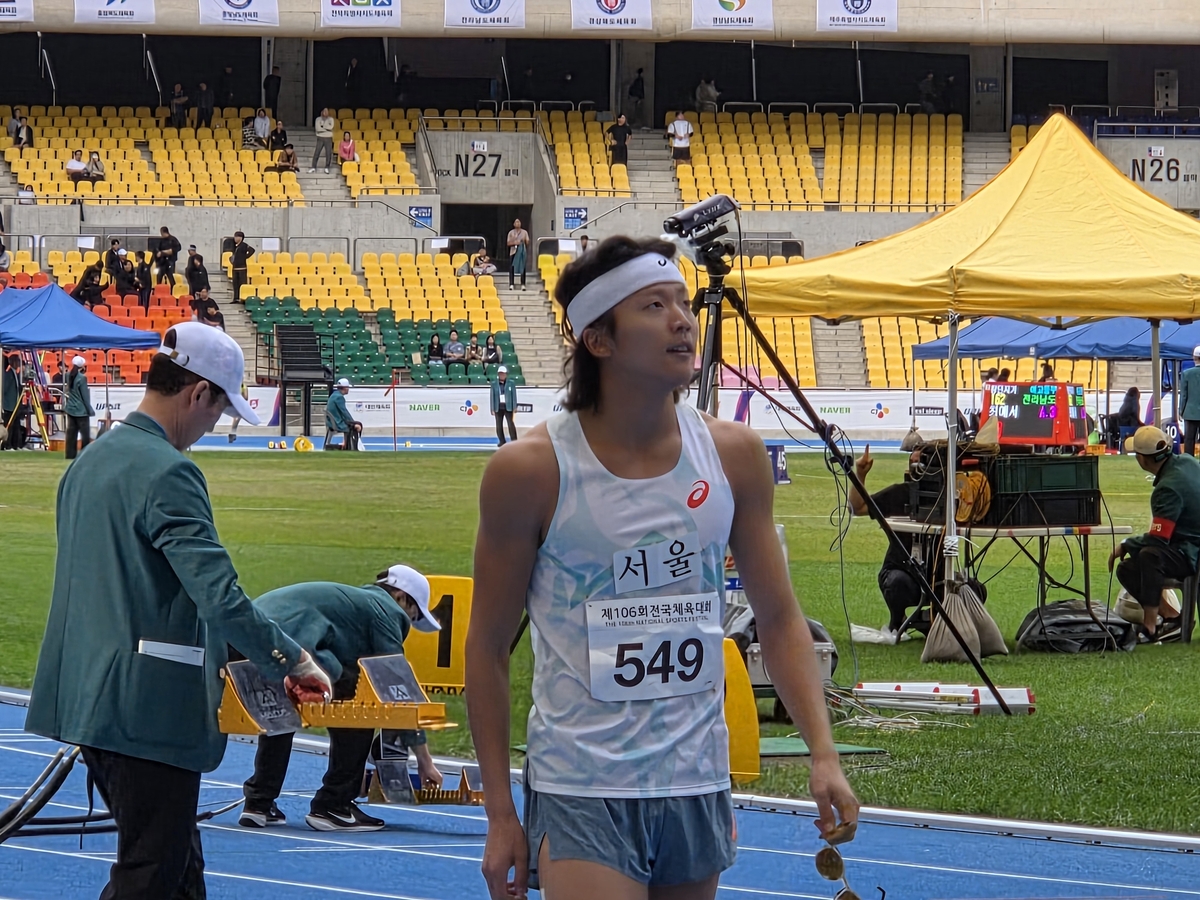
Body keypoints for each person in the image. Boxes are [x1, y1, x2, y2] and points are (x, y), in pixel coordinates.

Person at [465, 235, 858, 900]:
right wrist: (501, 811)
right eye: (653, 305)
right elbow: (486, 648)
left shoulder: (734, 456)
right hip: (581, 785)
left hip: (695, 779)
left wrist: (823, 753)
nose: (683, 319)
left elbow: (780, 617)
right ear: (599, 339)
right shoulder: (529, 471)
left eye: (682, 301)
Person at [26, 323, 332, 900]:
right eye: (219, 411)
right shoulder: (170, 471)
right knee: (152, 873)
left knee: (178, 870)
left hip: (88, 695)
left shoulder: (88, 463)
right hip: (147, 709)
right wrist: (291, 660)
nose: (213, 426)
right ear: (198, 393)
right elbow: (218, 595)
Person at [239, 565, 445, 833]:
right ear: (400, 597)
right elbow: (397, 688)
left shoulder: (349, 604)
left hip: (244, 640)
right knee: (357, 700)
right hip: (290, 645)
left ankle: (258, 802)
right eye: (413, 614)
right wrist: (424, 761)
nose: (408, 623)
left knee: (281, 710)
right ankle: (334, 804)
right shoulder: (386, 610)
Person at [1110, 425, 1200, 641]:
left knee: (1150, 555)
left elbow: (1159, 539)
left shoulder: (1167, 489)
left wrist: (1126, 544)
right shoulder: (1187, 461)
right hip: (1190, 543)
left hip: (1193, 550)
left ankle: (1150, 626)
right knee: (1127, 569)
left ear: (1142, 459)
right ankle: (1173, 619)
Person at [63, 355, 93, 460]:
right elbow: (85, 396)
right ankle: (84, 454)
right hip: (81, 410)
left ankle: (70, 454)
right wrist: (90, 409)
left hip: (70, 408)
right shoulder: (82, 378)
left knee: (71, 433)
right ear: (82, 367)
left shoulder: (67, 375)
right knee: (85, 434)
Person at [326, 377, 363, 450]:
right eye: (348, 387)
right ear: (345, 388)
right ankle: (350, 447)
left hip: (331, 422)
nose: (348, 389)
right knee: (356, 426)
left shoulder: (334, 395)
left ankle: (346, 445)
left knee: (354, 424)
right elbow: (344, 412)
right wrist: (354, 423)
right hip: (337, 423)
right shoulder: (339, 397)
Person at [490, 365, 517, 446]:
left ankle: (514, 440)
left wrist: (514, 406)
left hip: (508, 406)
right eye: (500, 374)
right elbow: (492, 396)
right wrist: (492, 408)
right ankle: (502, 441)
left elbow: (514, 395)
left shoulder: (511, 383)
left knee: (510, 424)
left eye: (503, 374)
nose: (502, 375)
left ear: (506, 374)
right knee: (499, 425)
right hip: (498, 407)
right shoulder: (494, 384)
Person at [1179, 348, 1200, 456]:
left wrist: (1181, 411)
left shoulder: (1186, 374)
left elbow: (1184, 395)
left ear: (1194, 358)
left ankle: (1189, 461)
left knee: (1189, 439)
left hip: (1190, 411)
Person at [2, 353, 24, 450]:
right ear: (12, 362)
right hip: (9, 405)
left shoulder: (17, 374)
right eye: (17, 361)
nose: (18, 363)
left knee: (16, 426)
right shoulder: (8, 375)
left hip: (16, 404)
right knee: (9, 426)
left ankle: (16, 445)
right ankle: (7, 445)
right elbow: (4, 390)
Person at [230, 231, 255, 303]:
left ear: (240, 238)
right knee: (235, 284)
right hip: (235, 268)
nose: (235, 238)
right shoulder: (234, 246)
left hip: (242, 268)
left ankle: (242, 298)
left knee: (242, 283)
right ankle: (236, 298)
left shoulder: (244, 245)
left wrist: (245, 257)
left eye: (236, 237)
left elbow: (252, 250)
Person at [507, 218, 530, 290]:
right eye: (516, 222)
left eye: (519, 222)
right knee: (512, 268)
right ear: (514, 224)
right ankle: (511, 284)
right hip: (513, 252)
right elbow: (508, 243)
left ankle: (523, 284)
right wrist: (515, 242)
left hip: (522, 252)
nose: (518, 223)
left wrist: (524, 241)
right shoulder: (511, 233)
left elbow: (527, 242)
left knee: (522, 267)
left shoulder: (524, 232)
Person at [311, 108, 335, 174]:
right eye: (324, 111)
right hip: (320, 137)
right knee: (317, 152)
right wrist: (327, 129)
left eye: (327, 111)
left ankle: (327, 167)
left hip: (328, 138)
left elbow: (331, 127)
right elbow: (318, 129)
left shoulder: (331, 119)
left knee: (328, 153)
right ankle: (313, 167)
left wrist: (322, 127)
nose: (325, 113)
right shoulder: (318, 119)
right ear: (322, 112)